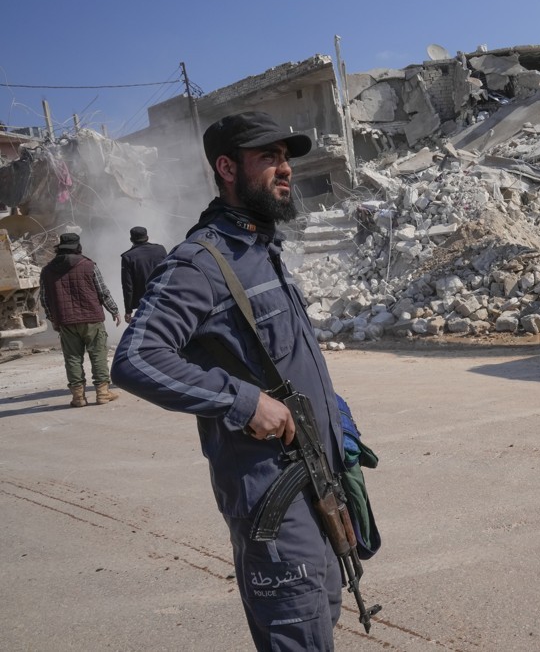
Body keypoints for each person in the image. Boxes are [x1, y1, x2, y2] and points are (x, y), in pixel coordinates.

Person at [111, 111, 348, 651]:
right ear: (226, 168)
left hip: (317, 481)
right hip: (272, 499)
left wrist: (335, 412)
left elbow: (276, 356)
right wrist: (243, 402)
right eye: (269, 157)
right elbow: (136, 358)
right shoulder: (201, 262)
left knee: (321, 619)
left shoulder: (262, 251)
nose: (284, 168)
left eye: (285, 157)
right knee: (299, 636)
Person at [40, 232, 122, 407]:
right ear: (78, 247)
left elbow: (45, 299)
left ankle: (78, 397)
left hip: (66, 321)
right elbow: (102, 292)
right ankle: (102, 393)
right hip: (91, 318)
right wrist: (114, 310)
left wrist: (53, 319)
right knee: (98, 354)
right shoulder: (88, 265)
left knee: (72, 358)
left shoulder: (47, 270)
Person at [120, 226, 167, 322]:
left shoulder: (128, 257)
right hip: (164, 298)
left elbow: (128, 287)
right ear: (147, 237)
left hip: (144, 303)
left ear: (131, 239)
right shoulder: (161, 249)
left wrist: (128, 311)